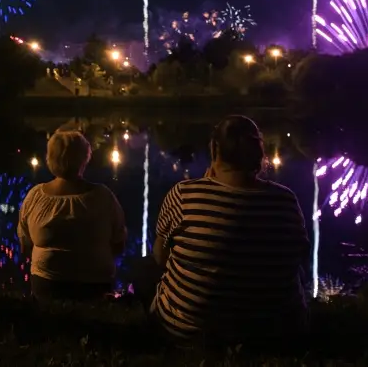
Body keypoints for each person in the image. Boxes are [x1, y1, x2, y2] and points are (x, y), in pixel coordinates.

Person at [134, 115, 309, 343]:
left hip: (191, 331)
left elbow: (160, 256)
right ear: (258, 152)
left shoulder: (184, 194)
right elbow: (300, 256)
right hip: (278, 332)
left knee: (144, 267)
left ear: (215, 150)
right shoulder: (285, 200)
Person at [17, 130, 127, 301]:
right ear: (84, 158)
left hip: (46, 287)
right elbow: (119, 242)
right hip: (95, 288)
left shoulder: (35, 197)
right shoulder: (103, 197)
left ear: (50, 158)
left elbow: (25, 245)